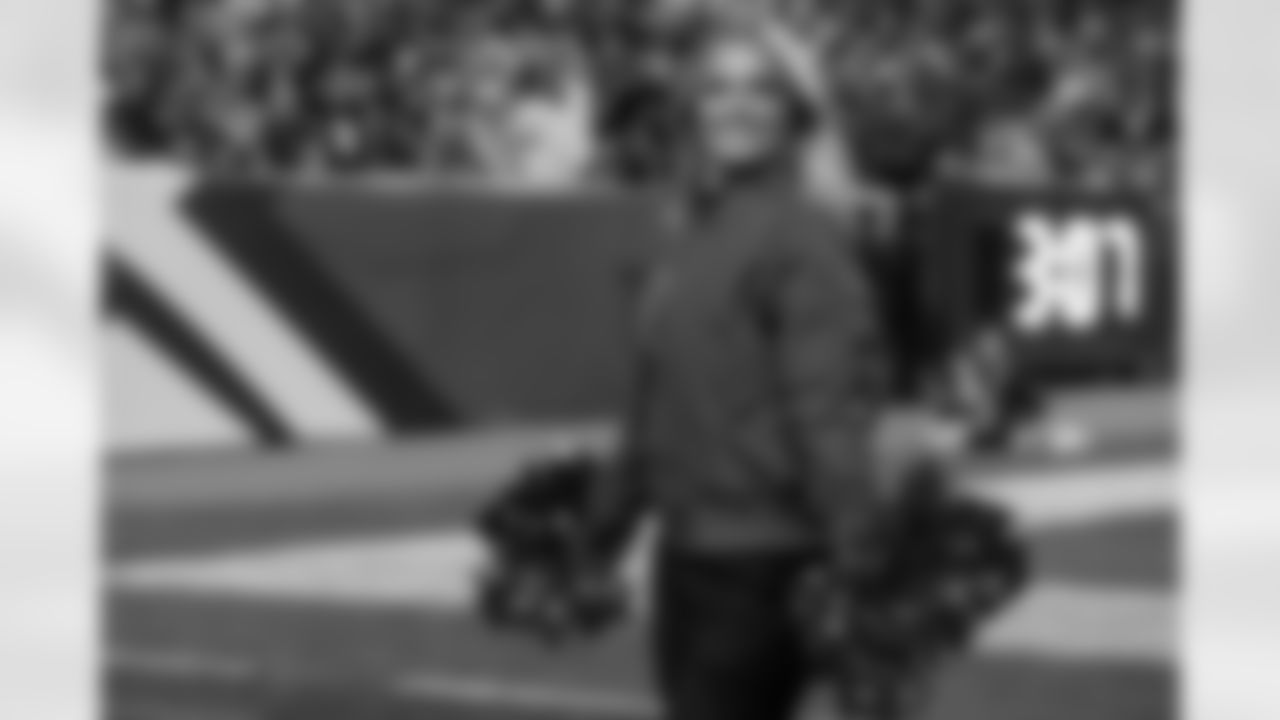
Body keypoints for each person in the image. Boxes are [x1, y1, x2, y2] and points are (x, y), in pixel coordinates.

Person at [583, 19, 893, 720]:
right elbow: (652, 403)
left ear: (796, 113)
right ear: (693, 107)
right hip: (684, 556)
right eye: (717, 88)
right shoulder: (690, 232)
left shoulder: (804, 237)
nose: (738, 105)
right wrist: (604, 524)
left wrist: (861, 560)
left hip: (767, 565)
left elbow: (829, 411)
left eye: (761, 89)